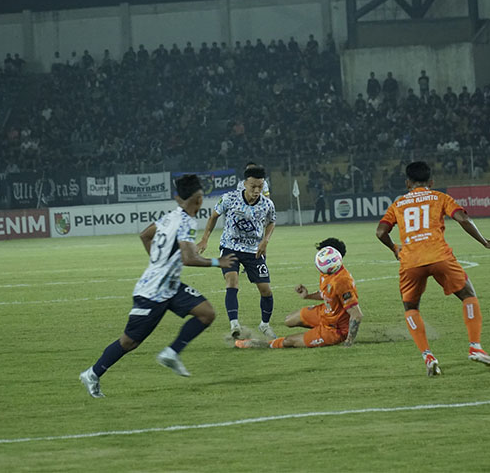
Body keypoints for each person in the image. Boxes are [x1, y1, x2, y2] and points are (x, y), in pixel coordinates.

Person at [79, 175, 237, 398]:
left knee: (206, 313)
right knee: (129, 341)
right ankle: (92, 374)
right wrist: (216, 262)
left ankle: (171, 353)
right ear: (199, 199)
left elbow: (145, 235)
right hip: (152, 293)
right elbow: (188, 258)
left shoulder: (170, 216)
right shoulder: (186, 222)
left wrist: (157, 263)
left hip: (171, 287)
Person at [376, 161, 490, 377]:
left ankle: (428, 356)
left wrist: (395, 248)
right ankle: (475, 347)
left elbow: (380, 232)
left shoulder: (398, 204)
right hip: (439, 256)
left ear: (408, 183)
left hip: (410, 261)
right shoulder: (439, 197)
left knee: (411, 307)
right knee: (468, 295)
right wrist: (484, 242)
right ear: (431, 182)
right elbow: (463, 218)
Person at [235, 238, 363, 349]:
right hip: (326, 313)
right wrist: (308, 296)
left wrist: (349, 341)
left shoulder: (342, 282)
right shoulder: (329, 270)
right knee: (289, 320)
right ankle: (316, 333)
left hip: (336, 328)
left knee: (289, 341)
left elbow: (356, 315)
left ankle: (266, 344)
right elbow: (329, 294)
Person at [197, 165, 277, 340]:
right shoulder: (229, 199)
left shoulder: (267, 204)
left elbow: (272, 222)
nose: (257, 190)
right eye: (253, 186)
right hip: (230, 246)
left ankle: (264, 325)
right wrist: (205, 239)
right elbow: (213, 216)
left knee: (266, 290)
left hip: (253, 251)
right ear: (245, 184)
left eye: (260, 187)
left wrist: (266, 240)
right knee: (232, 282)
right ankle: (235, 325)